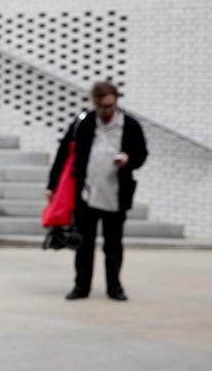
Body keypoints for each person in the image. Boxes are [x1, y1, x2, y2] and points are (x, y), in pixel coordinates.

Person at [47, 80, 147, 301]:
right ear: (95, 103)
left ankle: (115, 287)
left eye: (111, 106)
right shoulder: (84, 123)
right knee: (84, 244)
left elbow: (141, 154)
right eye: (103, 107)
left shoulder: (130, 125)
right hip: (87, 194)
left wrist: (128, 160)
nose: (107, 111)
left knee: (113, 246)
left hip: (115, 195)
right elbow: (64, 152)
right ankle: (81, 286)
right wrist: (52, 185)